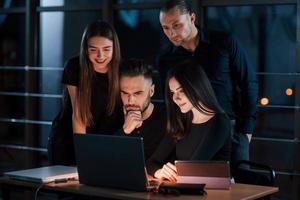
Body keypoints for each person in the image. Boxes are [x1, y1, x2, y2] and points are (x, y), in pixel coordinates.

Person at [156, 0, 258, 166]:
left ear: (192, 18)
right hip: (192, 132)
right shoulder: (165, 59)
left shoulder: (223, 42)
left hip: (231, 129)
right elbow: (170, 100)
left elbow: (248, 82)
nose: (171, 33)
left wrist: (247, 129)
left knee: (239, 186)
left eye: (177, 25)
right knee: (192, 184)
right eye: (165, 28)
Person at [146, 62, 231, 182]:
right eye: (173, 92)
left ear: (197, 87)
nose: (176, 98)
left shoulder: (219, 122)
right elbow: (152, 162)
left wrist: (170, 170)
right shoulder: (180, 119)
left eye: (181, 91)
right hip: (186, 189)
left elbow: (193, 169)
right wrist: (159, 172)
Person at [62, 20, 123, 134]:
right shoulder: (74, 66)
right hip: (71, 134)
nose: (100, 56)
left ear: (114, 48)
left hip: (107, 136)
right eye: (93, 49)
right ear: (85, 49)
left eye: (106, 49)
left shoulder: (122, 70)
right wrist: (83, 148)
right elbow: (78, 115)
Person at [118, 59, 166, 160]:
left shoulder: (168, 119)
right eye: (125, 93)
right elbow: (106, 159)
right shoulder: (114, 117)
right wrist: (124, 131)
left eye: (138, 93)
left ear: (151, 91)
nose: (130, 101)